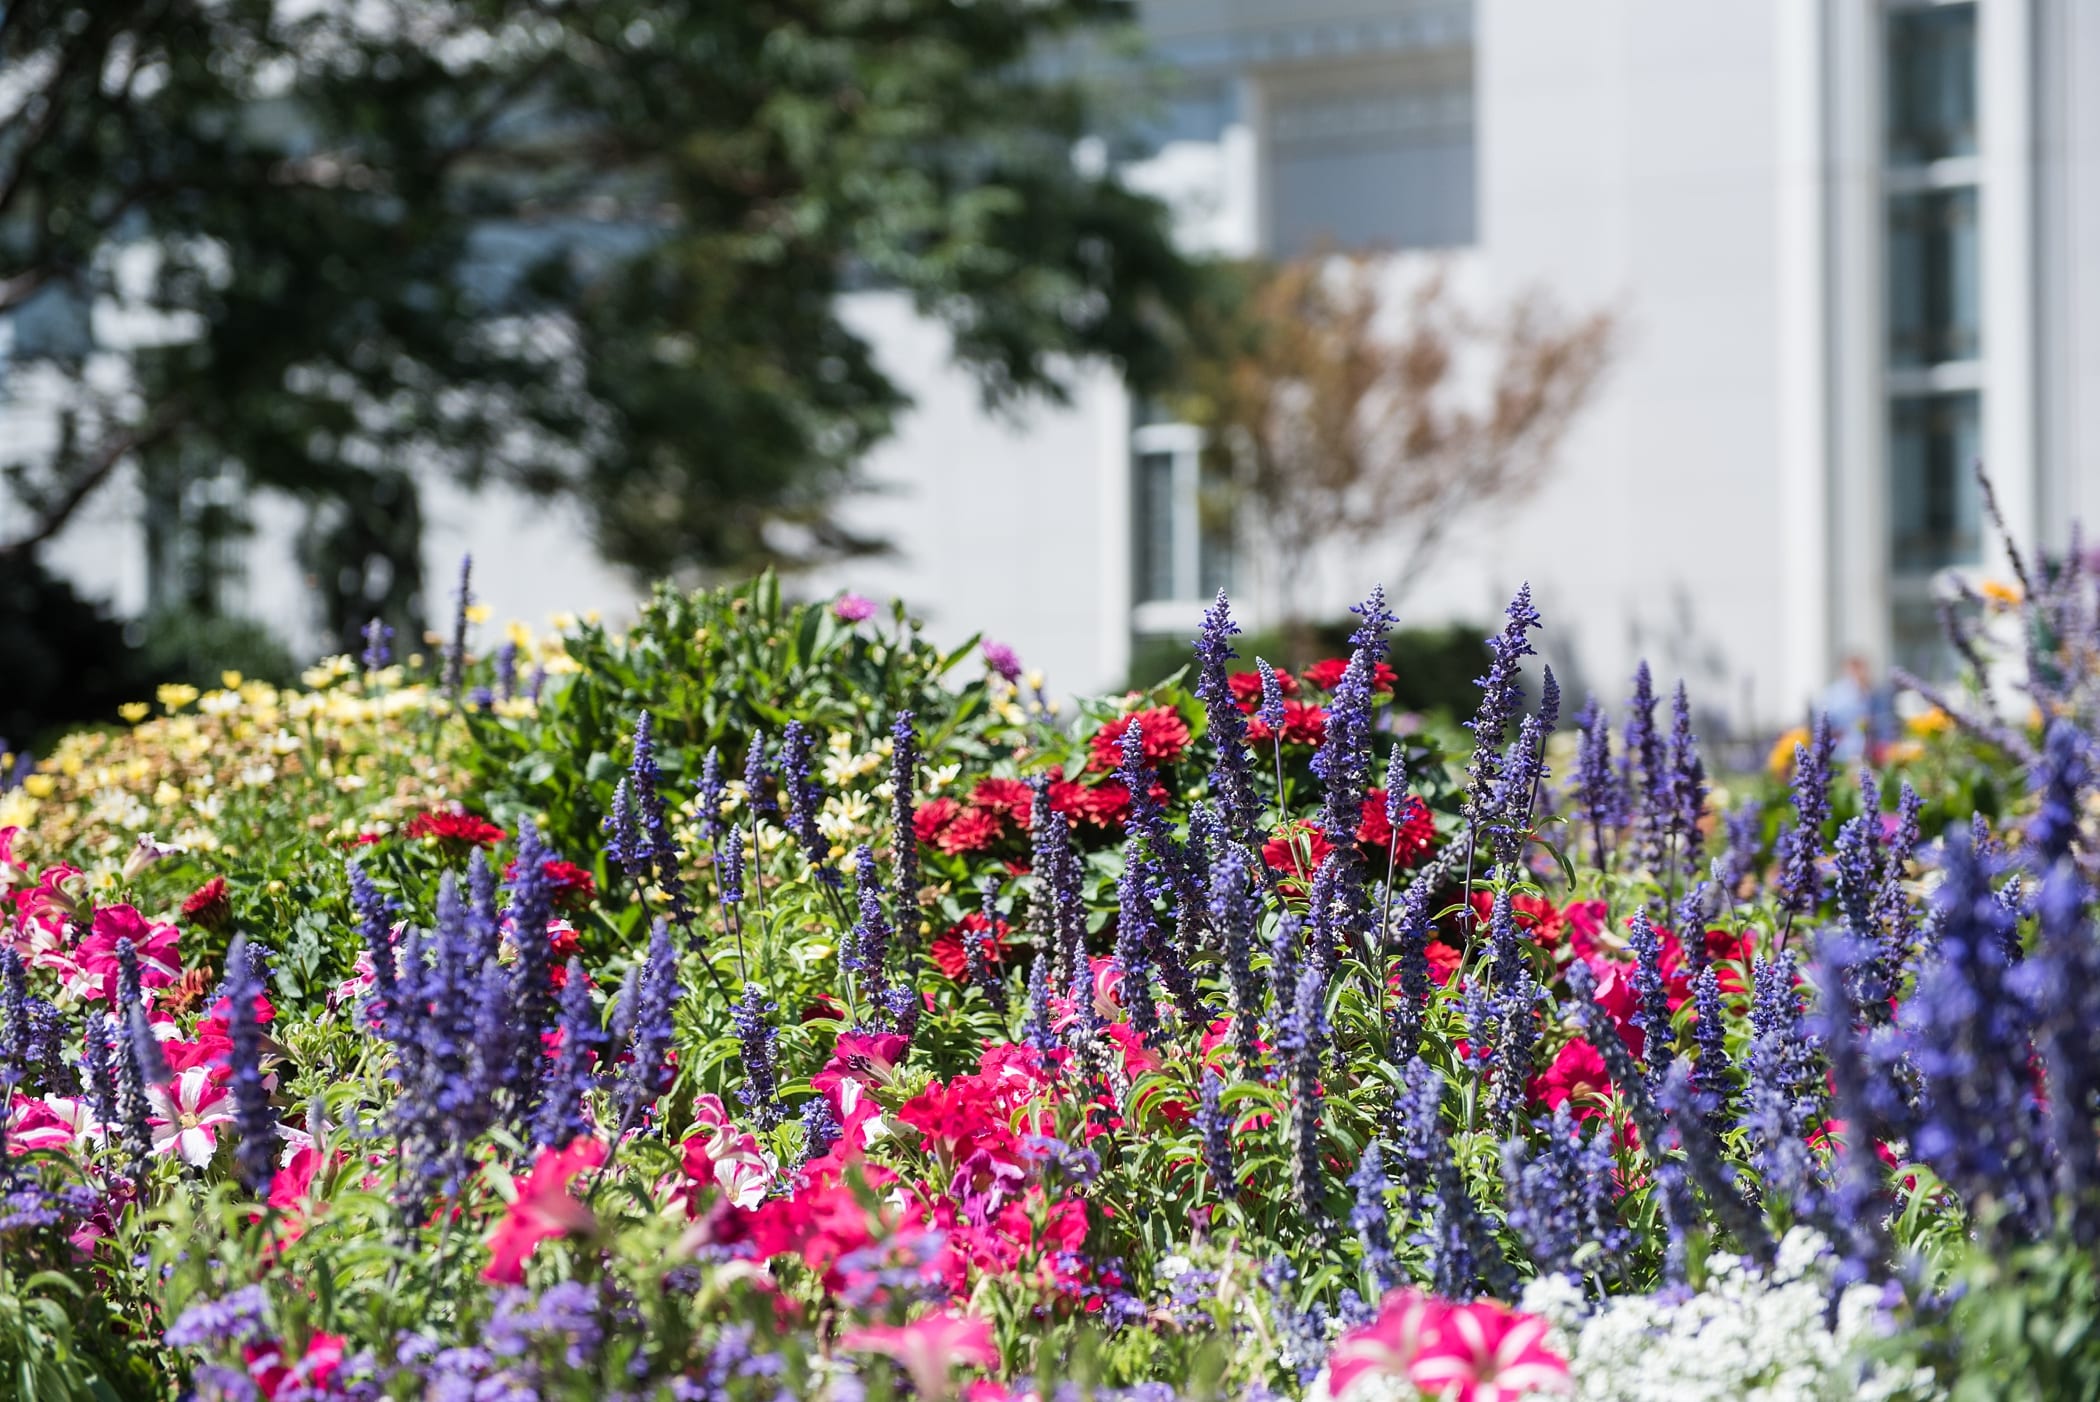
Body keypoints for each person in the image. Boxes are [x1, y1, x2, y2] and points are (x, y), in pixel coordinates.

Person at [1821, 654, 1897, 763]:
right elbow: (1827, 727)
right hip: (1841, 755)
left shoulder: (1874, 693)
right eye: (1857, 668)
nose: (1861, 673)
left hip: (1869, 755)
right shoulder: (1834, 694)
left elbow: (1885, 725)